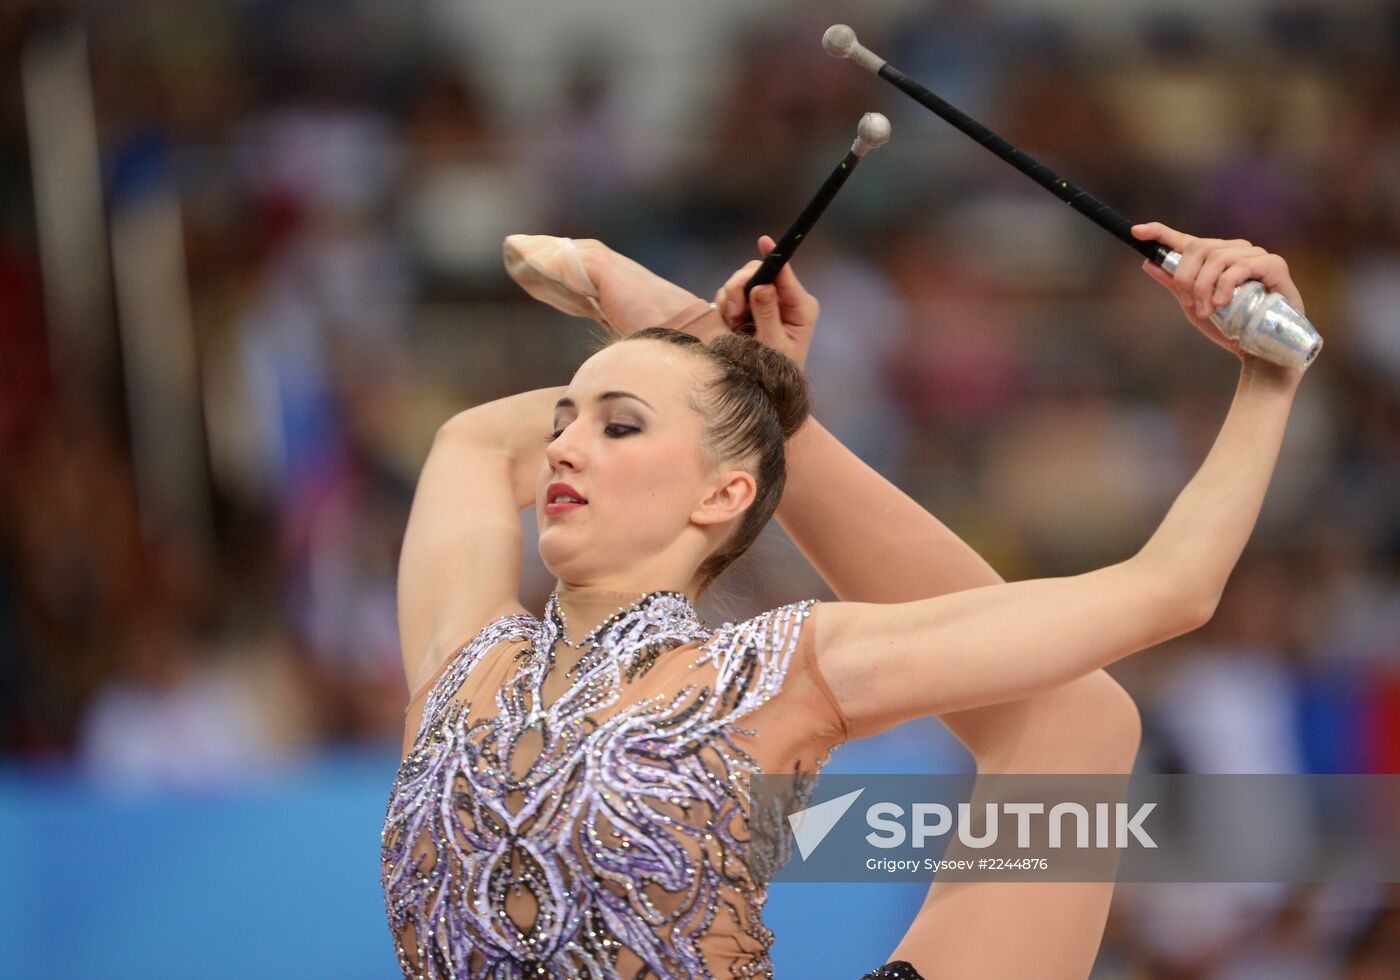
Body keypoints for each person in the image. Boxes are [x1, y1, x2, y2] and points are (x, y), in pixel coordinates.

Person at [380, 222, 1313, 978]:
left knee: (1078, 727)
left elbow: (1171, 588)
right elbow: (472, 443)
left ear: (724, 494)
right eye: (563, 423)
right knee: (1077, 726)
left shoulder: (772, 666)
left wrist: (1270, 377)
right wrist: (704, 358)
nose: (563, 448)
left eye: (618, 426)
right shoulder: (460, 653)